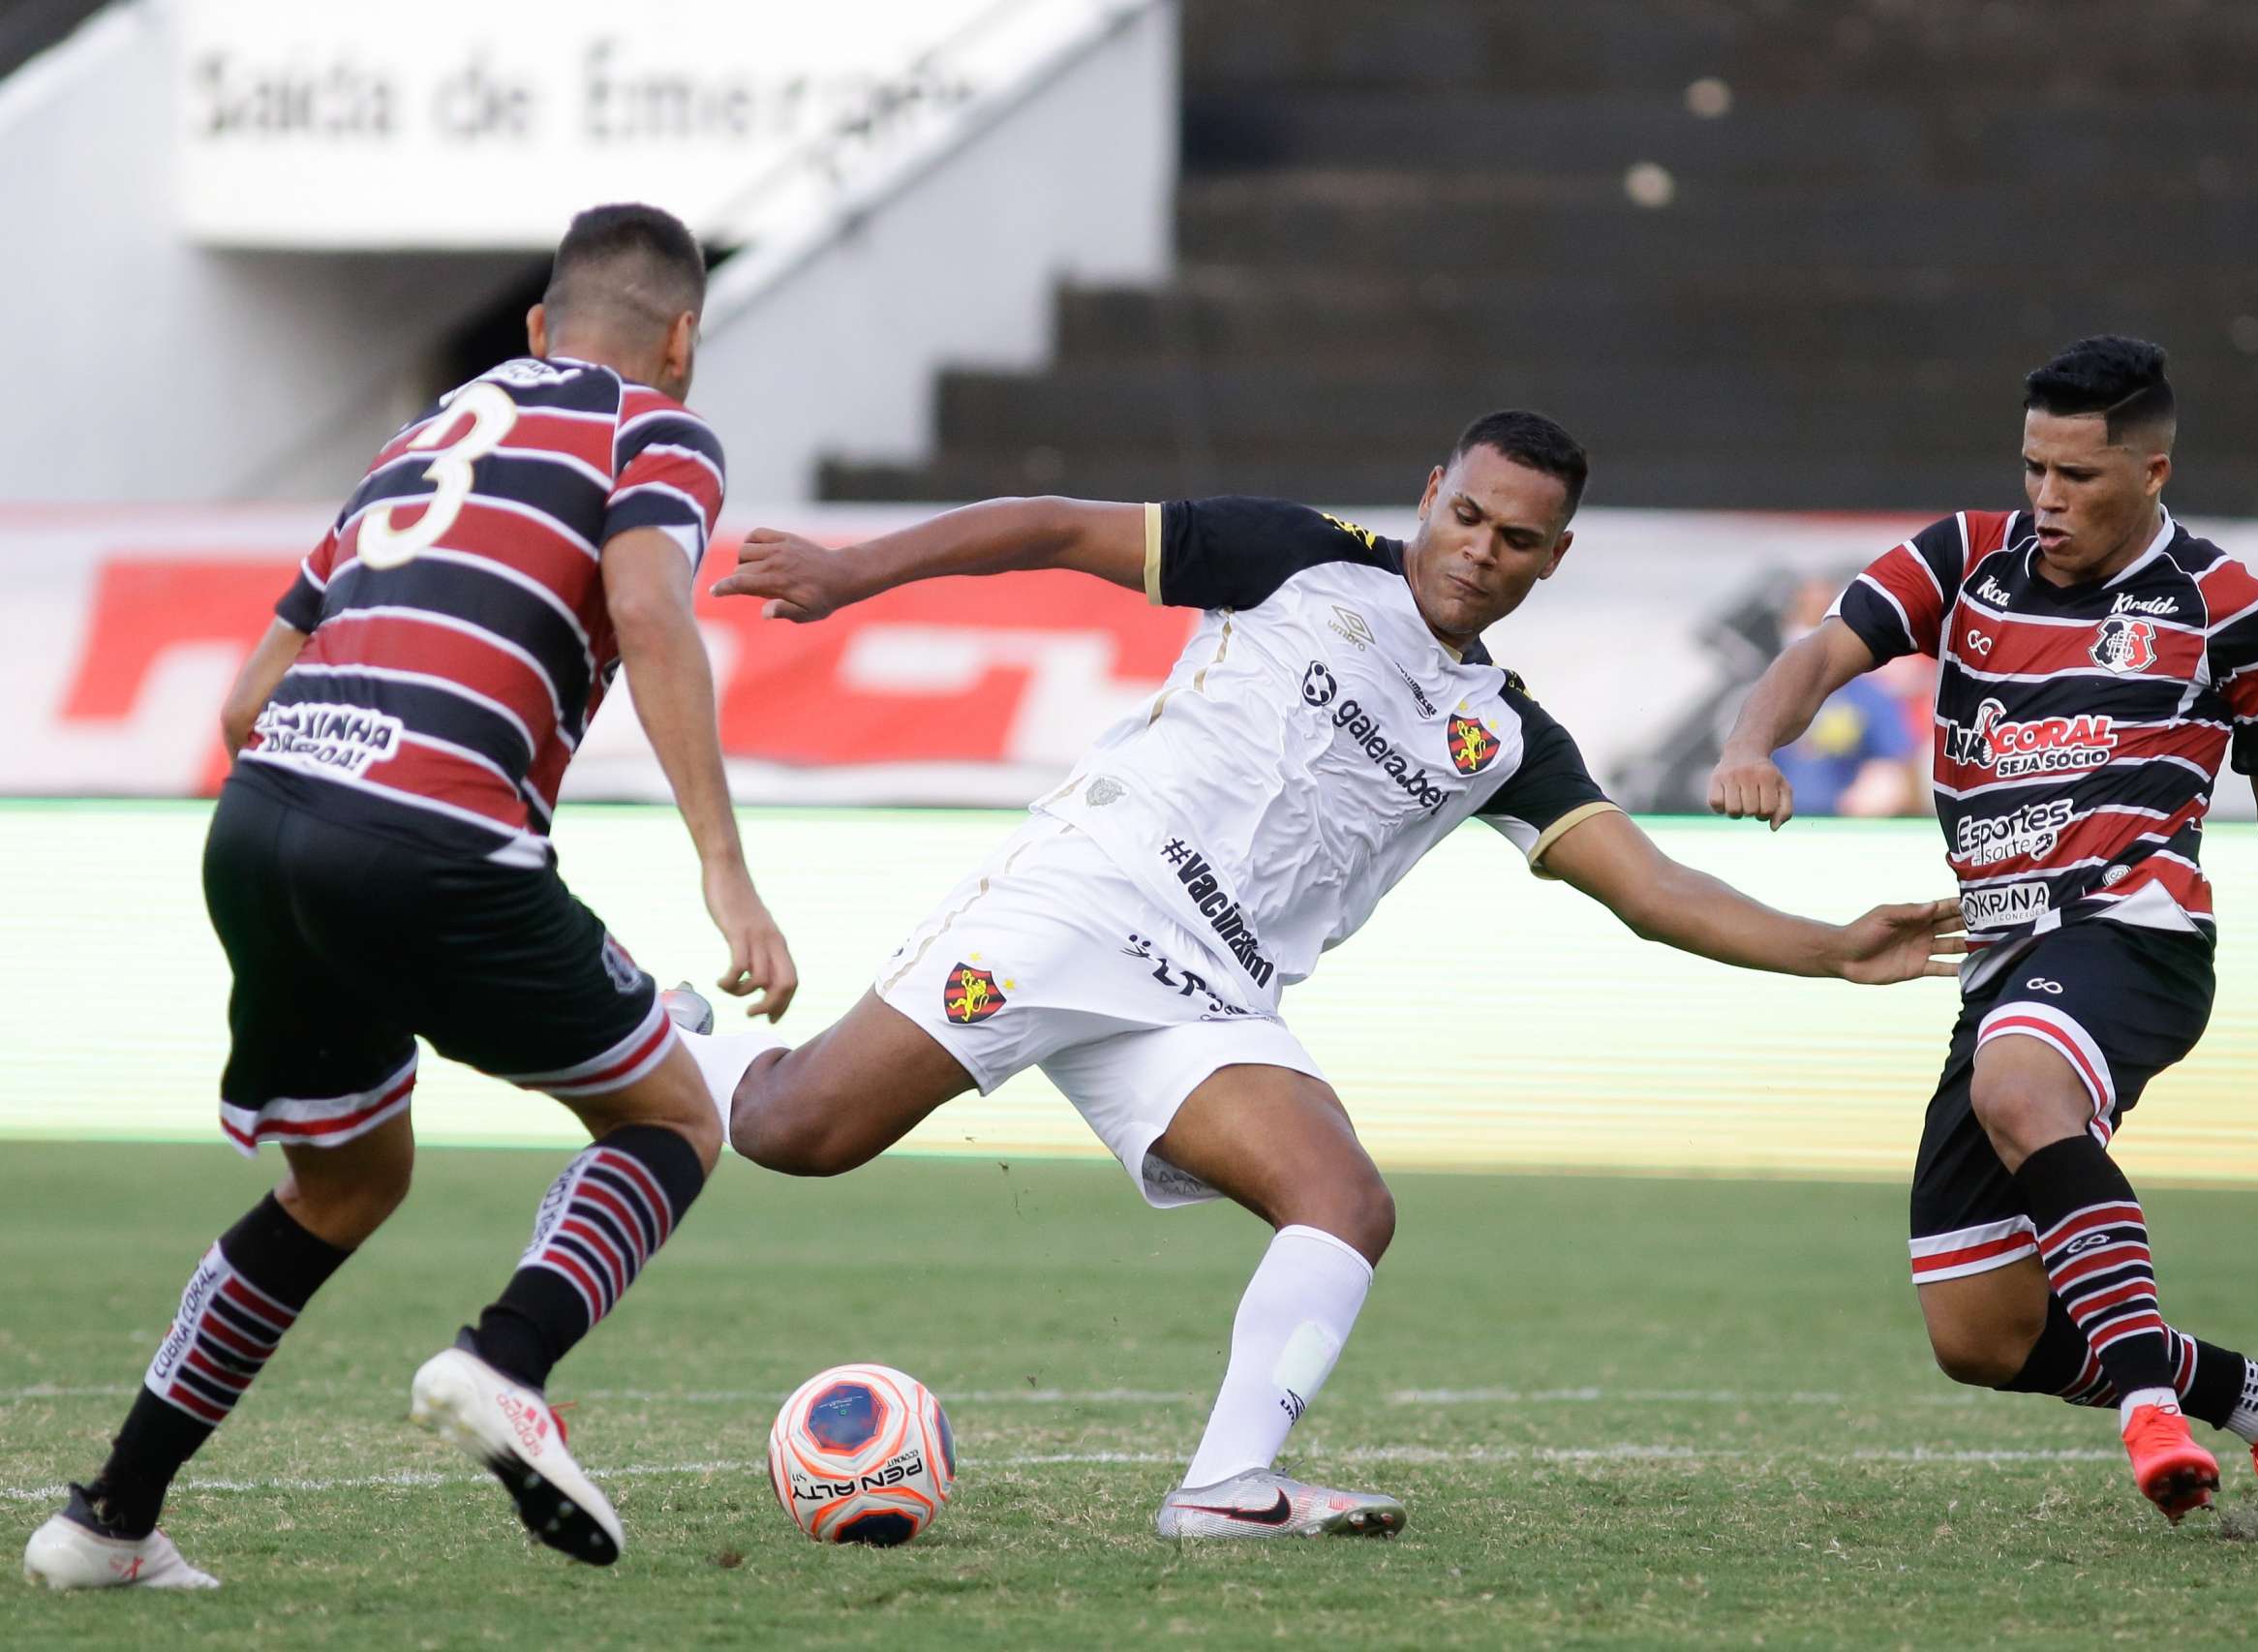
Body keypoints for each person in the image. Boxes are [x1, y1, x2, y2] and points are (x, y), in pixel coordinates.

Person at [666, 409, 1961, 1540]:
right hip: (1079, 904)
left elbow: (1652, 888)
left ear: (1553, 558)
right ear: (1432, 493)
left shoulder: (1504, 733)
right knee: (794, 1130)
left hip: (1209, 998)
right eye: (1468, 515)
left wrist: (1831, 946)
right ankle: (656, 1033)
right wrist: (854, 570)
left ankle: (1224, 1486)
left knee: (1341, 1199)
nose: (1480, 549)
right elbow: (1056, 525)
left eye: (1516, 539)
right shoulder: (1297, 557)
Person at [22, 203, 797, 1590]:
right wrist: (725, 872)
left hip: (262, 824)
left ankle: (106, 1522)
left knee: (344, 1182)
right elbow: (649, 609)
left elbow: (244, 701)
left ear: (537, 327)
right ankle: (507, 1360)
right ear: (682, 339)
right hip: (427, 839)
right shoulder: (657, 430)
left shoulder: (425, 432)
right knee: (673, 1116)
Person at [1708, 337, 2258, 1539]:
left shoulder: (2228, 607)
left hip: (2137, 931)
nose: (2046, 498)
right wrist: (1752, 741)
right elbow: (1819, 653)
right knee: (1979, 1332)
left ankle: (2150, 1412)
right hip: (2003, 961)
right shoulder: (1962, 558)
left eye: (2078, 476)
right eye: (2032, 468)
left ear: (2152, 471)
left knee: (2016, 1083)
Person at [1764, 575, 1927, 817]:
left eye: (1821, 616)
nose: (1810, 630)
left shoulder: (1870, 696)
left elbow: (1905, 766)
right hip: (1773, 822)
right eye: (1804, 614)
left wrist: (1888, 793)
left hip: (1843, 825)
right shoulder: (1764, 695)